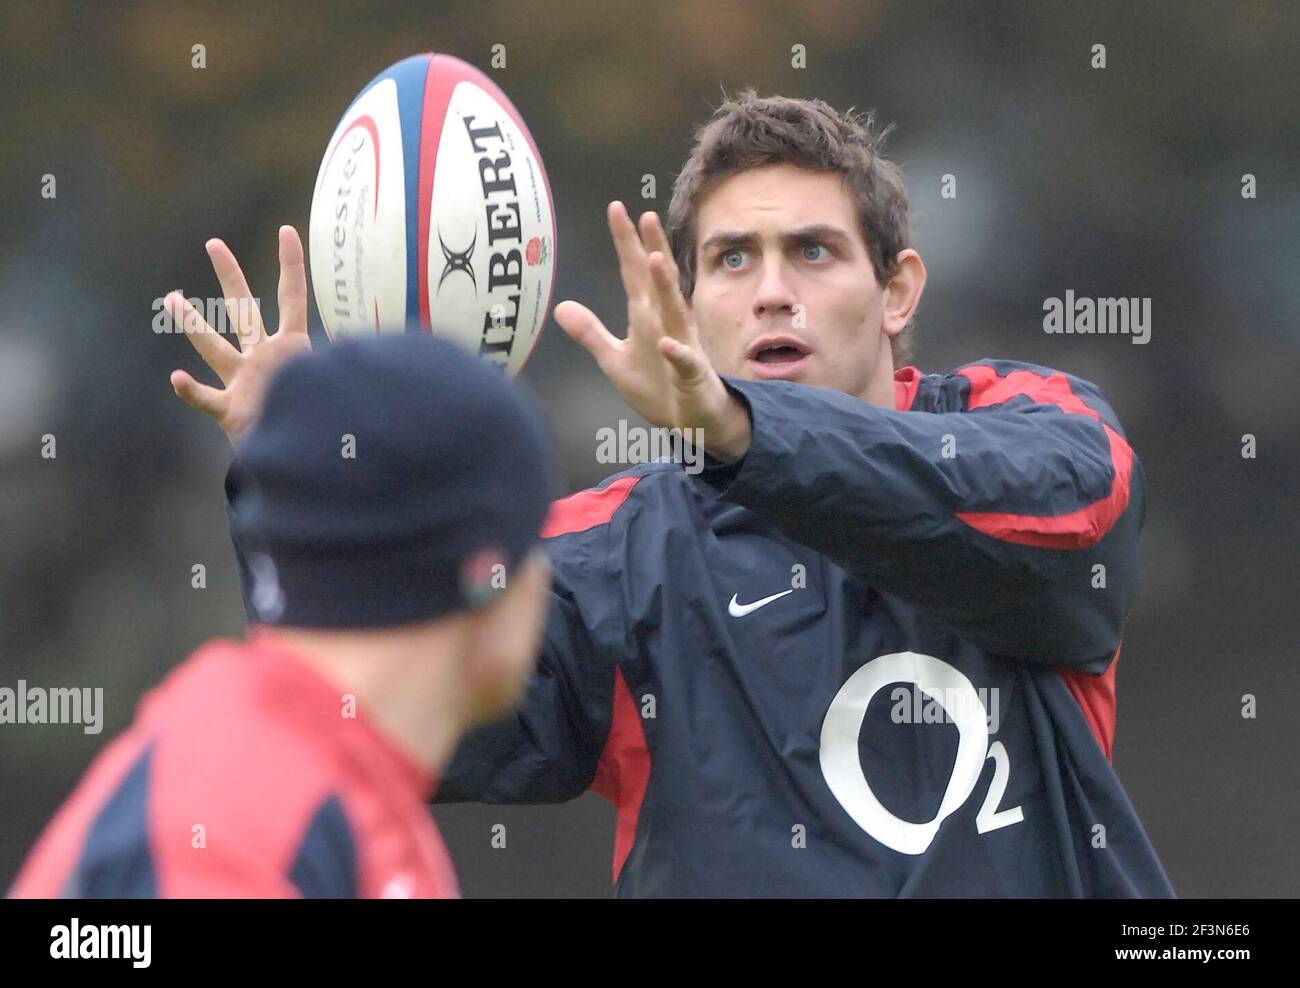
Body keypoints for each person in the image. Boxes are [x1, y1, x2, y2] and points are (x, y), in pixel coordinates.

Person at [170, 91, 1173, 897]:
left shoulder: (1025, 420)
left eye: (811, 251)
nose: (771, 289)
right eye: (732, 260)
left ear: (897, 288)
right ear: (685, 309)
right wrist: (302, 479)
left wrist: (746, 434)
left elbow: (1072, 508)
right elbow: (377, 712)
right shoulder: (614, 554)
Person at [11, 332, 553, 898]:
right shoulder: (238, 816)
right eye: (535, 535)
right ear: (485, 574)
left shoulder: (348, 798)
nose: (547, 574)